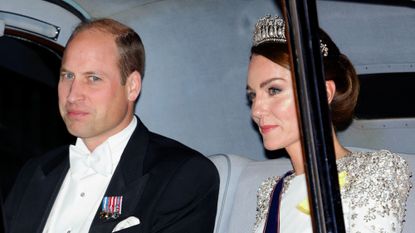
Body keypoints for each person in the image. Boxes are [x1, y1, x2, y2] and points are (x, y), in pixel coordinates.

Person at [4, 18, 219, 233]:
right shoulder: (34, 172)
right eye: (68, 76)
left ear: (132, 86)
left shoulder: (182, 176)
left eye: (93, 78)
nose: (72, 95)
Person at [247, 15, 412, 233]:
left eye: (274, 90)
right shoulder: (271, 191)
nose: (257, 110)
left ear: (323, 94)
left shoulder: (372, 172)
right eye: (253, 96)